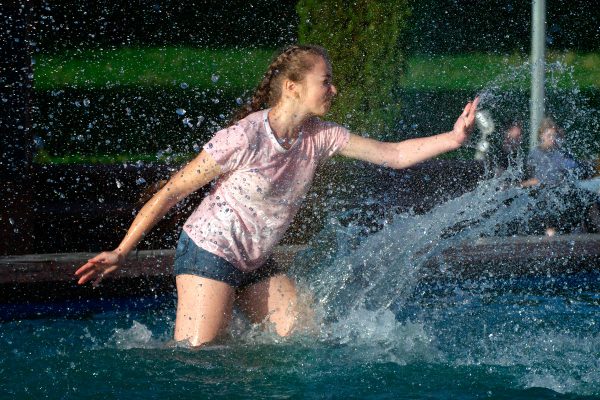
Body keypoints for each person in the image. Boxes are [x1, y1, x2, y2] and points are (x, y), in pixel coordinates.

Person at [75, 45, 479, 347]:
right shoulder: (245, 137)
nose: (334, 89)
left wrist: (454, 137)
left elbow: (392, 155)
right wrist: (122, 251)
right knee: (199, 357)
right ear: (292, 87)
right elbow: (172, 191)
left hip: (254, 259)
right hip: (209, 250)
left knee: (304, 337)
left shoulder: (320, 137)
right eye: (325, 81)